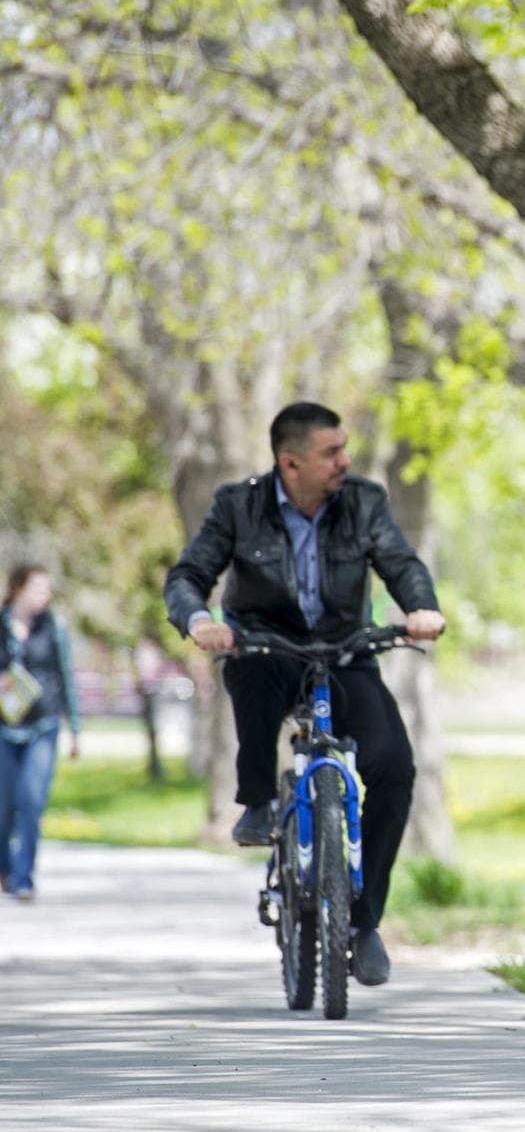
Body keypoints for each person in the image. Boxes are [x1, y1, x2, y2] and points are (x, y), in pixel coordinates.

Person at [163, 402, 445, 986]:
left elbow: (399, 560)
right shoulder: (238, 505)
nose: (345, 460)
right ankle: (259, 799)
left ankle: (365, 924)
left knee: (394, 766)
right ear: (291, 463)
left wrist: (420, 606)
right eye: (331, 452)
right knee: (248, 671)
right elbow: (188, 575)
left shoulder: (363, 501)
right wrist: (198, 620)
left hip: (346, 651)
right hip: (268, 647)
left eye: (343, 448)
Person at [0, 564, 82, 902]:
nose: (43, 596)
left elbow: (66, 675)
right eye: (36, 589)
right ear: (18, 589)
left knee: (32, 801)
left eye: (46, 590)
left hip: (43, 724)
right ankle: (4, 867)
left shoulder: (54, 627)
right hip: (4, 726)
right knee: (3, 806)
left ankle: (23, 878)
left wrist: (75, 727)